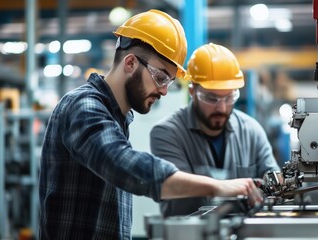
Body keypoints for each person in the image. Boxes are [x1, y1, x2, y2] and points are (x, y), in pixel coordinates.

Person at [38, 10, 262, 239]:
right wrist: (216, 186)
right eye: (161, 77)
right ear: (131, 62)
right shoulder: (83, 106)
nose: (164, 90)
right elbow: (123, 164)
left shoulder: (117, 118)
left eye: (169, 81)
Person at [150, 43, 281, 217]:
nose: (221, 107)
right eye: (211, 98)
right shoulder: (167, 133)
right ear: (192, 91)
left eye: (229, 97)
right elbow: (176, 186)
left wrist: (276, 182)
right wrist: (233, 187)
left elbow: (274, 179)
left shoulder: (251, 131)